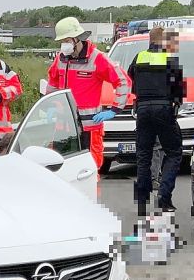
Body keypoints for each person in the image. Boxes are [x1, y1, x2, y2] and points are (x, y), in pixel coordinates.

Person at [46, 16, 131, 171]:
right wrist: (50, 105)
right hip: (64, 127)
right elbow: (52, 83)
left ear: (76, 39)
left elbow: (123, 81)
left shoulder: (96, 58)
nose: (63, 45)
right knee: (61, 170)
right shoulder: (61, 59)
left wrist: (114, 109)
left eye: (66, 40)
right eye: (62, 41)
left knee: (89, 171)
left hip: (89, 129)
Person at [127, 27, 184, 214]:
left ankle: (142, 201)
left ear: (149, 40)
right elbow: (179, 91)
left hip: (142, 110)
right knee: (174, 152)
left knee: (143, 155)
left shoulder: (139, 57)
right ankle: (164, 197)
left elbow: (131, 76)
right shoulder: (170, 59)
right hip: (164, 110)